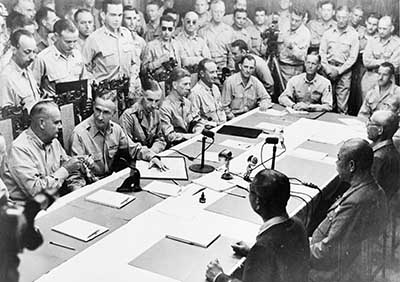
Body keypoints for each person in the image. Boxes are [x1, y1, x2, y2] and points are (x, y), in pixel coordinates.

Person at [205, 169, 310, 282]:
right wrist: (252, 254)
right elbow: (284, 261)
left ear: (257, 202)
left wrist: (219, 277)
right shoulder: (298, 225)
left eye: (250, 190)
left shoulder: (263, 247)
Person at [309, 138, 387, 281]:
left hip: (328, 270)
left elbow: (328, 251)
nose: (336, 163)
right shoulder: (370, 188)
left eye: (339, 159)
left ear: (351, 165)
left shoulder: (355, 203)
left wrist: (300, 248)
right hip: (346, 256)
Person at [2, 100, 86, 205]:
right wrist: (66, 169)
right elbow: (36, 192)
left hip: (54, 202)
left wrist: (76, 188)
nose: (60, 126)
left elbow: (70, 170)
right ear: (42, 123)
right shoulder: (19, 149)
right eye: (56, 122)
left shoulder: (53, 141)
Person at [70, 89, 167, 178]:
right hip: (90, 185)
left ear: (113, 113)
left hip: (111, 180)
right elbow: (75, 175)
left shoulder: (116, 130)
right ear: (93, 107)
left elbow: (134, 149)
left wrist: (152, 157)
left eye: (106, 112)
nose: (100, 117)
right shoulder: (79, 133)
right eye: (97, 110)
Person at [83, 0, 137, 82]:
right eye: (113, 15)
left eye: (120, 15)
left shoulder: (127, 34)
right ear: (103, 15)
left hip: (127, 89)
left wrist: (133, 79)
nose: (117, 19)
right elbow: (84, 67)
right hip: (105, 91)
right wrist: (94, 83)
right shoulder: (94, 39)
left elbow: (134, 62)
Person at [32, 19, 88, 97]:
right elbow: (34, 88)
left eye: (75, 41)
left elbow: (84, 80)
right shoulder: (42, 58)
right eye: (68, 42)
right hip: (53, 106)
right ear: (56, 37)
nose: (72, 46)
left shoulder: (78, 55)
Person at [319, 6, 359, 114]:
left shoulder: (354, 35)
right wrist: (327, 69)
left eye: (344, 17)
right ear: (336, 16)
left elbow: (352, 58)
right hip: (327, 71)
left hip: (344, 73)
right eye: (339, 17)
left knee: (342, 106)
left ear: (349, 17)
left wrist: (339, 71)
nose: (341, 20)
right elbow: (322, 53)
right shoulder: (328, 33)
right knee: (326, 104)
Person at [119, 79, 166, 154]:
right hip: (135, 160)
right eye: (150, 100)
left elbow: (160, 139)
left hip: (153, 155)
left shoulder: (156, 112)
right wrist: (148, 154)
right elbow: (128, 147)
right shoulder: (129, 116)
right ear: (142, 95)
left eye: (157, 101)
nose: (154, 105)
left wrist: (153, 151)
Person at [160, 68, 205, 145]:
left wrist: (197, 131)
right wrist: (192, 136)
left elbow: (198, 121)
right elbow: (170, 136)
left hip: (190, 143)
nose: (188, 87)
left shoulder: (187, 102)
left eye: (189, 84)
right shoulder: (165, 107)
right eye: (185, 84)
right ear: (174, 85)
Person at [0, 29, 40, 113]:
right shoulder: (6, 78)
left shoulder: (27, 70)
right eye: (27, 52)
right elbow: (7, 116)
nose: (32, 57)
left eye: (34, 52)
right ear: (14, 50)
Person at [222, 55, 272, 120]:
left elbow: (266, 98)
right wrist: (232, 118)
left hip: (251, 117)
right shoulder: (230, 82)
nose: (248, 70)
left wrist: (264, 103)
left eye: (251, 68)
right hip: (234, 118)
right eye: (245, 67)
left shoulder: (255, 82)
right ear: (240, 66)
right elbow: (224, 106)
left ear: (254, 69)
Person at [362, 16, 400, 99]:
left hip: (388, 79)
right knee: (367, 106)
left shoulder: (397, 43)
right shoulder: (372, 41)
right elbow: (366, 61)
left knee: (384, 107)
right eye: (379, 28)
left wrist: (375, 62)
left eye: (384, 29)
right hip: (370, 77)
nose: (381, 31)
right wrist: (383, 61)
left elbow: (394, 66)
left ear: (392, 28)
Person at [367, 110, 400, 200]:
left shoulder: (377, 158)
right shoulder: (392, 149)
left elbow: (369, 191)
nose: (367, 125)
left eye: (370, 122)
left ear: (380, 130)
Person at [277, 6, 311, 85]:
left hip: (293, 69)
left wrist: (292, 47)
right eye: (292, 19)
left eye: (297, 21)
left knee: (290, 93)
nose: (293, 23)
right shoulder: (284, 25)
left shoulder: (305, 33)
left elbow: (302, 57)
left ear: (302, 20)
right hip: (279, 65)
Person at [142, 15, 181, 80]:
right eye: (164, 28)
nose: (167, 32)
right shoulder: (151, 46)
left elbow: (179, 66)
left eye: (170, 29)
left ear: (174, 29)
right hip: (158, 82)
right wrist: (159, 61)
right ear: (160, 28)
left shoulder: (176, 44)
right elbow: (143, 70)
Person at [189, 58, 226, 125]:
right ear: (202, 73)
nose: (215, 75)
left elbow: (221, 109)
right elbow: (194, 120)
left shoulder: (215, 88)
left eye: (216, 72)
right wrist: (215, 124)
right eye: (212, 72)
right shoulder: (195, 93)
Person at [198, 0, 234, 70]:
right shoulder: (202, 31)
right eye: (216, 11)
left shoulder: (229, 31)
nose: (218, 14)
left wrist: (230, 69)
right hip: (207, 68)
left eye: (221, 12)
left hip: (225, 68)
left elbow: (232, 54)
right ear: (211, 12)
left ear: (224, 12)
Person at [122, 6, 146, 102]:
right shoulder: (118, 40)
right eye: (128, 18)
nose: (132, 22)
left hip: (136, 85)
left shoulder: (140, 41)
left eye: (134, 18)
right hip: (122, 84)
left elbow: (143, 63)